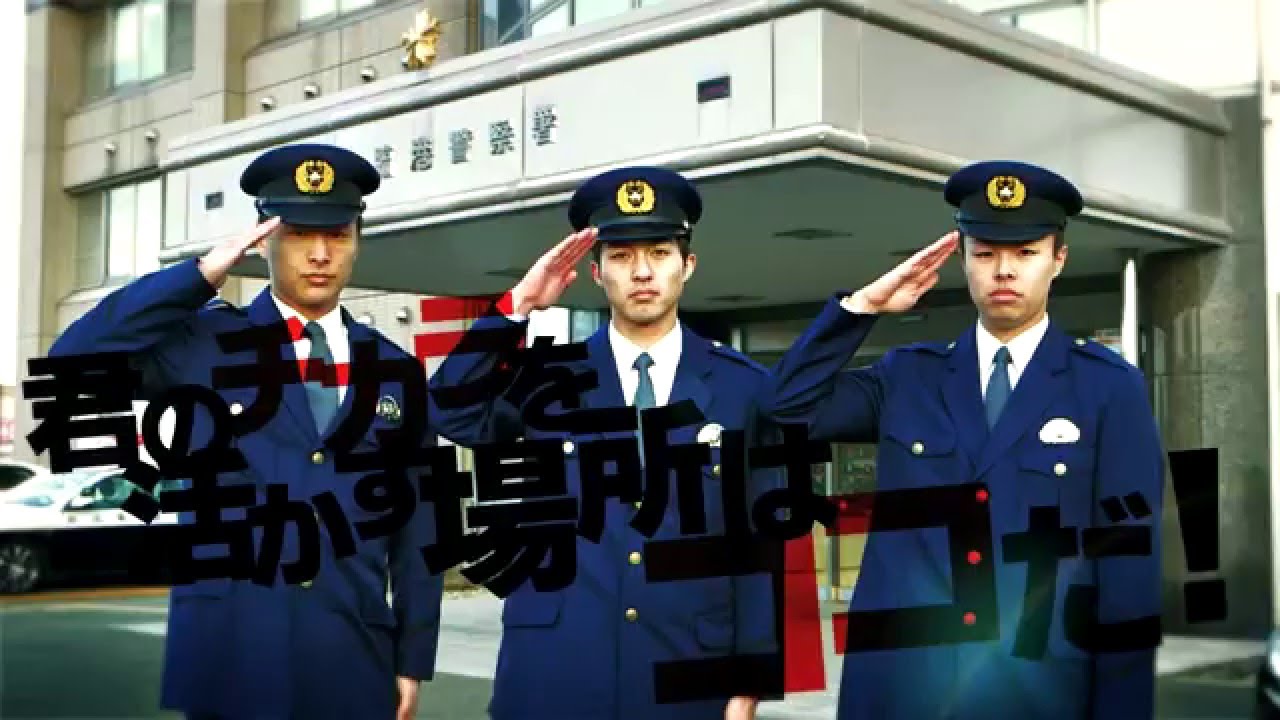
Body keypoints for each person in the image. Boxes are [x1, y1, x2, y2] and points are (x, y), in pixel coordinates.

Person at [47, 143, 444, 720]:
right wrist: (200, 276)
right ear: (263, 240)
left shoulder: (396, 371)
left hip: (351, 654)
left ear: (357, 240)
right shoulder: (202, 345)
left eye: (337, 235)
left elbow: (419, 529)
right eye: (299, 235)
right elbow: (71, 362)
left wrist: (412, 656)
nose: (320, 255)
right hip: (231, 651)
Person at [757, 160, 1165, 719]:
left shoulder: (1107, 388)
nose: (1004, 271)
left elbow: (1128, 578)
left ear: (1058, 260)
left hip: (1039, 694)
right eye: (986, 253)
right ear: (964, 260)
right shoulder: (909, 376)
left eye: (1026, 253)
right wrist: (862, 308)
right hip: (903, 693)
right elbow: (784, 408)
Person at [428, 166, 781, 720]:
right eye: (621, 256)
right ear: (596, 273)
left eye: (659, 253)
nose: (642, 271)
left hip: (687, 670)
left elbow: (761, 541)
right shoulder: (546, 378)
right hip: (556, 666)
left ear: (687, 265)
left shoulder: (744, 387)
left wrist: (753, 678)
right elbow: (448, 409)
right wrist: (517, 306)